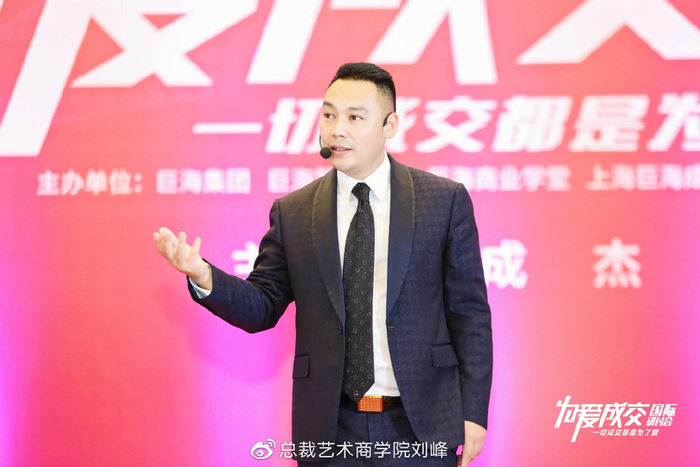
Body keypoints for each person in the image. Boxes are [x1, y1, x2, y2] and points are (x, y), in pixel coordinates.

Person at [153, 62, 492, 466]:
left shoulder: (442, 201)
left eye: (354, 117)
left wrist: (474, 412)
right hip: (331, 430)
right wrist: (204, 276)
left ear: (390, 125)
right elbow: (262, 304)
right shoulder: (295, 212)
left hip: (421, 424)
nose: (337, 130)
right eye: (329, 115)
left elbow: (469, 313)